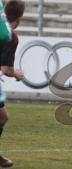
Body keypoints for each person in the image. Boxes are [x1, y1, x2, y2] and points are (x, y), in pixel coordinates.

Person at [0, 0, 25, 167]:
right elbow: (5, 69)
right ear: (19, 18)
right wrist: (16, 74)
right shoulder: (11, 36)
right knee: (2, 117)